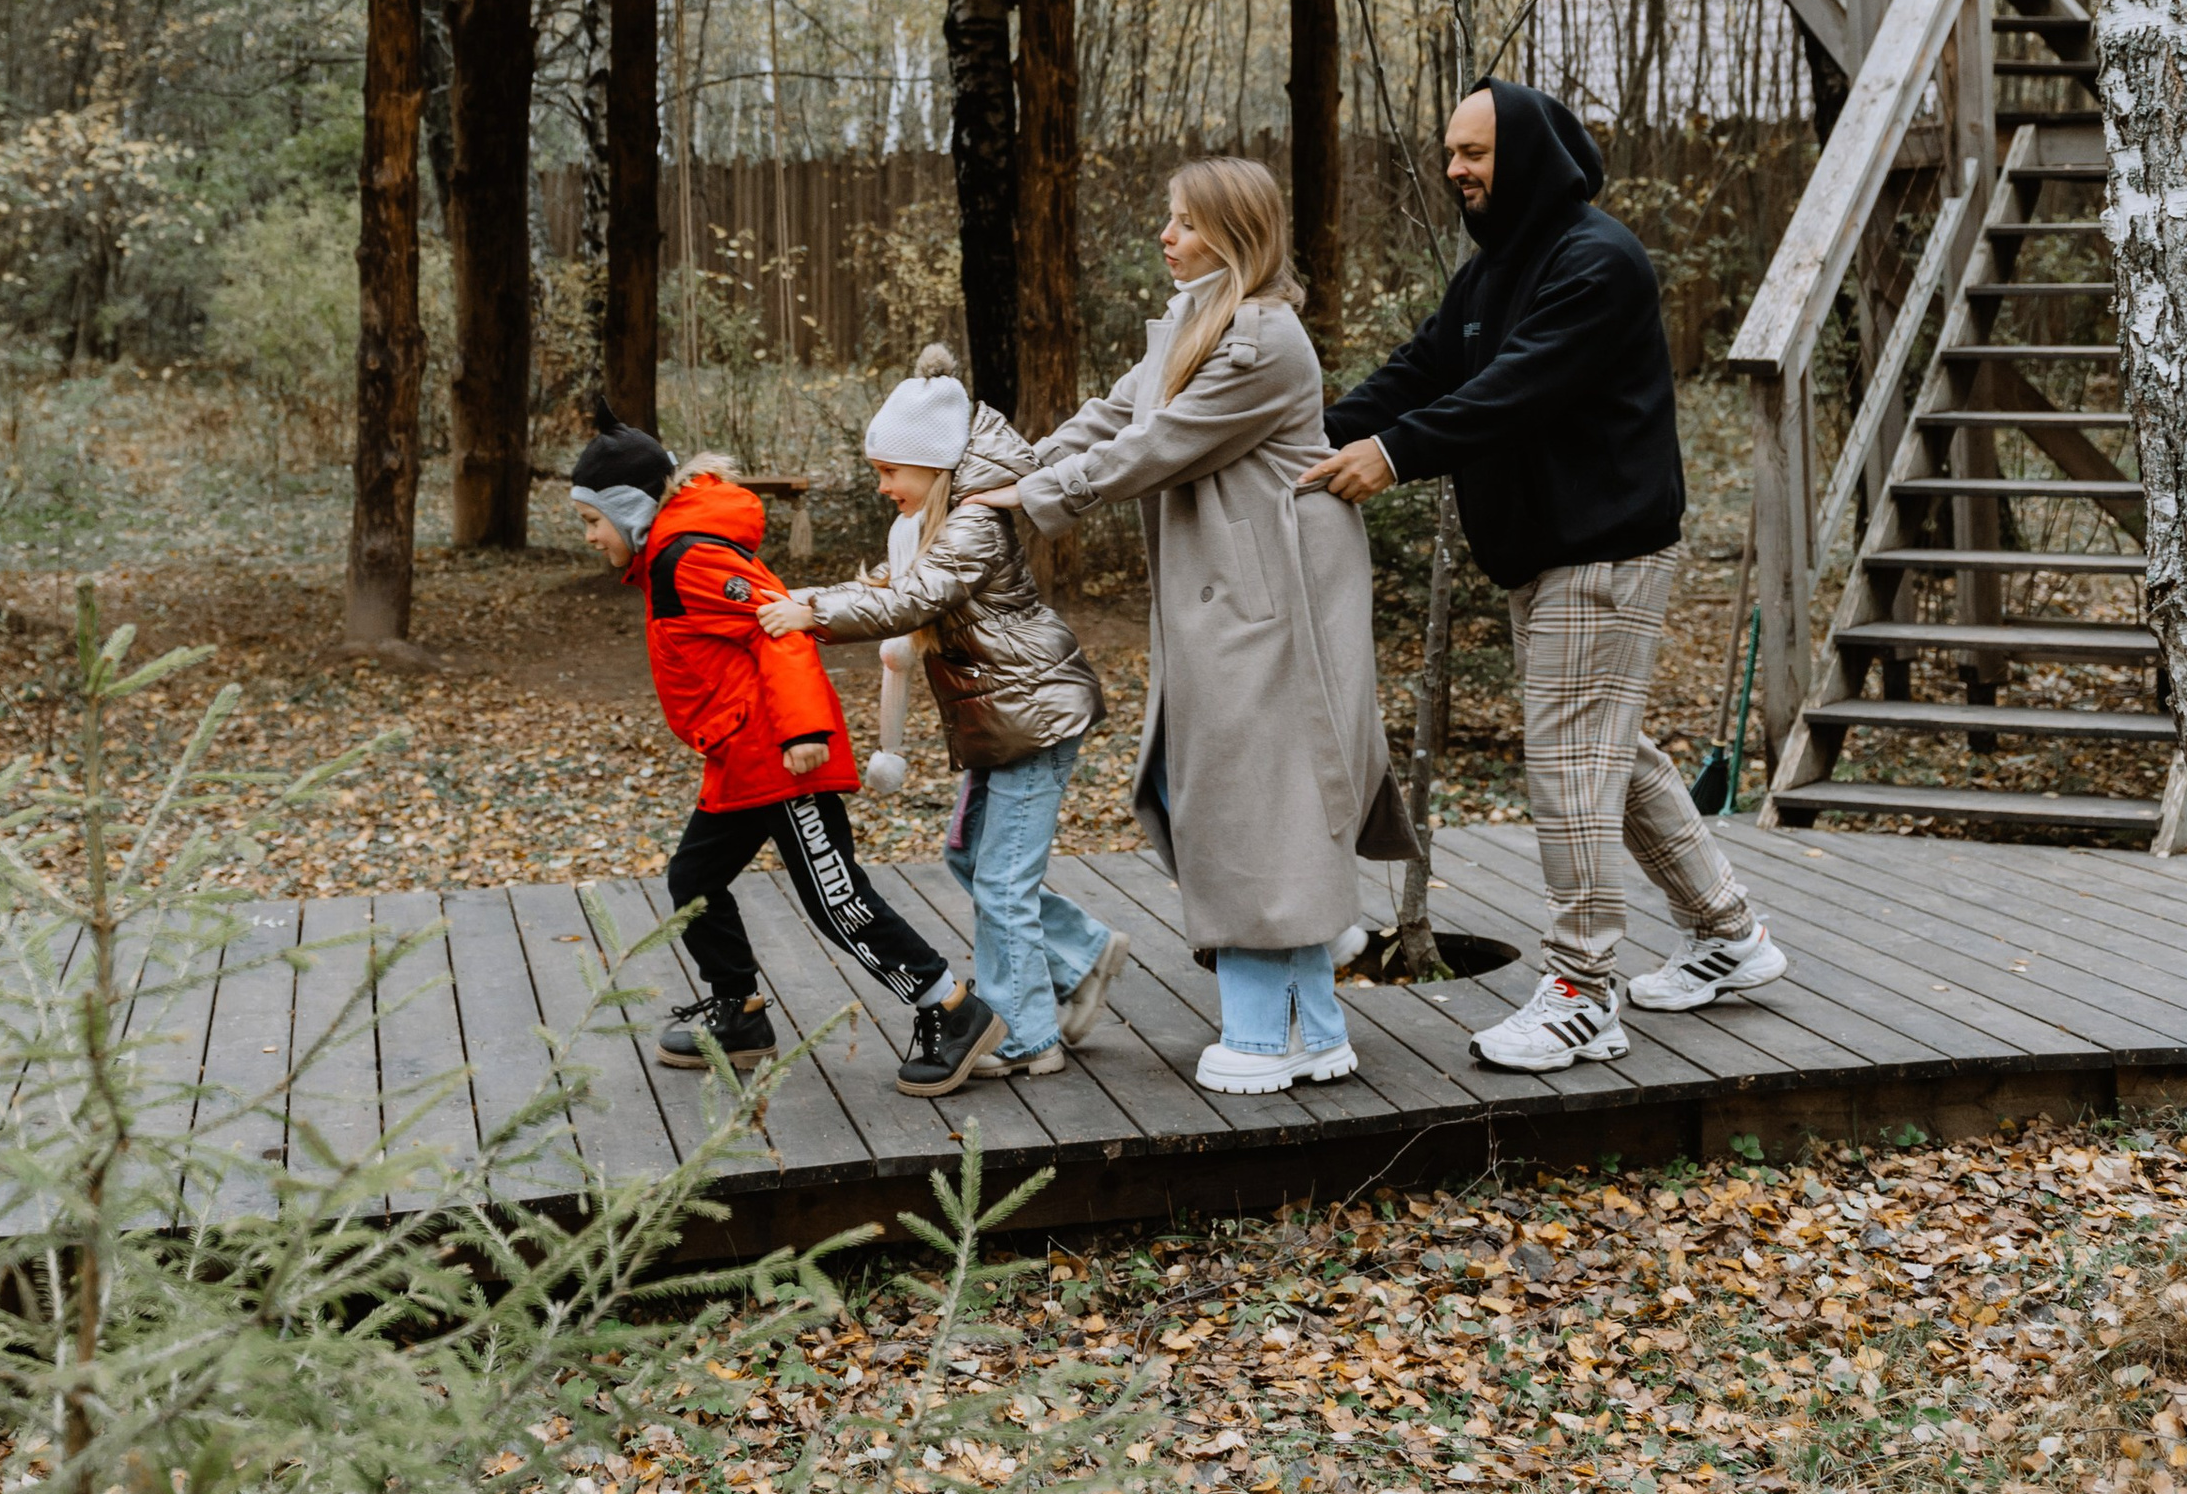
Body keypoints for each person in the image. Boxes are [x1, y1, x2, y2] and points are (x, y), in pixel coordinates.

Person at [1301, 79, 1786, 1070]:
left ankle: (1581, 990)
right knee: (1614, 752)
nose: (1454, 168)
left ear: (1527, 154)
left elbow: (1507, 393)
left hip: (1601, 549)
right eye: (1449, 151)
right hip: (1545, 555)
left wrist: (1390, 455)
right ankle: (1731, 935)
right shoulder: (1487, 274)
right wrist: (1301, 434)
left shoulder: (1596, 261)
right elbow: (1421, 367)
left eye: (1474, 150)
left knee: (1568, 762)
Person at [974, 156, 1418, 1098]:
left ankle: (1281, 1024)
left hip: (1274, 590)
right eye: (1169, 218)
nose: (1165, 235)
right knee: (1222, 793)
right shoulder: (1196, 318)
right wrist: (1018, 465)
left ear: (1232, 233)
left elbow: (1160, 445)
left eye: (1182, 221)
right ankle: (1308, 999)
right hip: (1226, 586)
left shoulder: (1263, 339)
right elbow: (1114, 414)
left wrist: (1039, 493)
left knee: (1257, 798)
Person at [569, 426, 1004, 1097]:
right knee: (694, 881)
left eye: (593, 520)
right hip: (740, 758)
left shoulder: (686, 558)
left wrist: (804, 731)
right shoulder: (667, 558)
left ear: (629, 508)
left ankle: (952, 1009)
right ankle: (740, 1015)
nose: (591, 536)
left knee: (836, 902)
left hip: (781, 756)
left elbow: (781, 628)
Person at [763, 343, 1125, 1083]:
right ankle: (1083, 955)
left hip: (1034, 721)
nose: (883, 486)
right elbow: (894, 586)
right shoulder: (935, 526)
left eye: (891, 471)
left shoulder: (970, 527)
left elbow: (909, 600)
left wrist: (811, 614)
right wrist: (809, 598)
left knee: (1000, 882)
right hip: (1006, 723)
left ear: (935, 466)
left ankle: (1026, 1037)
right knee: (971, 861)